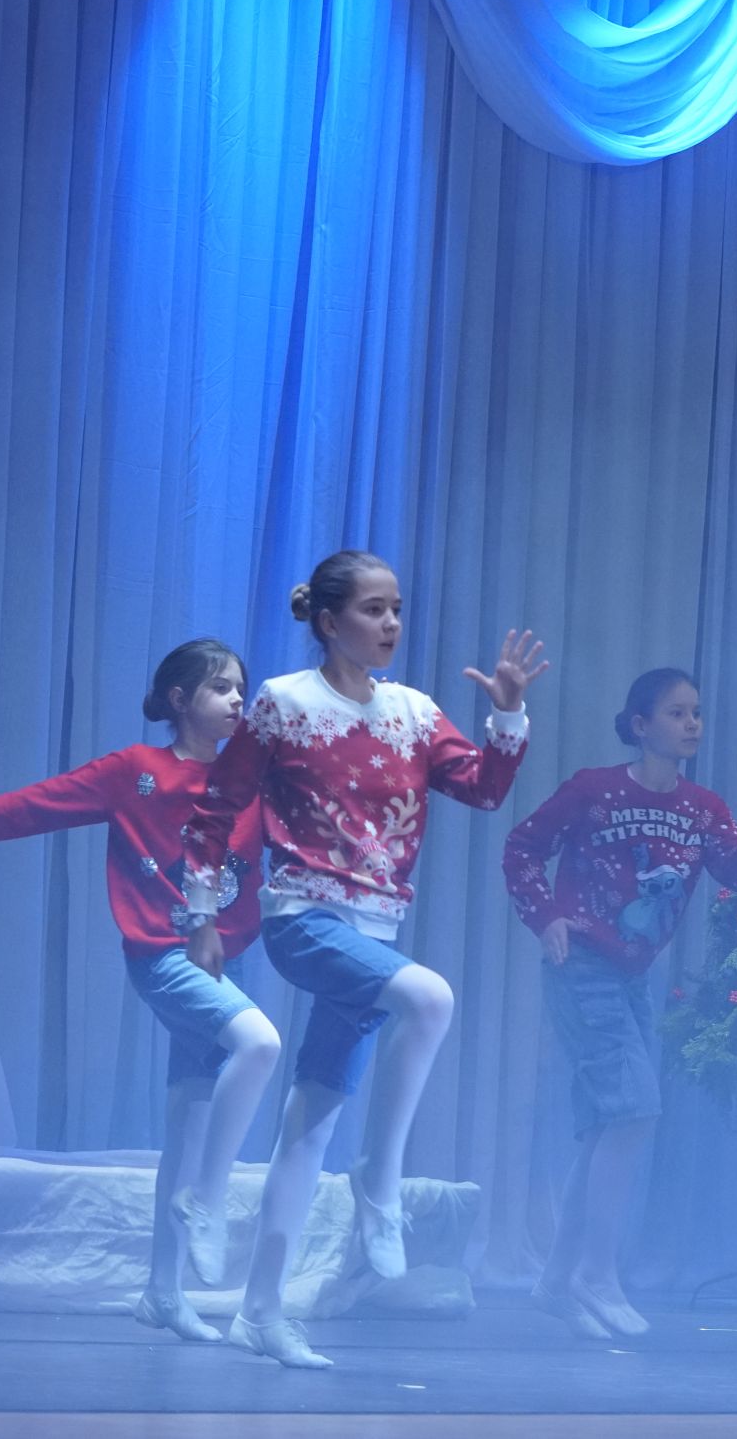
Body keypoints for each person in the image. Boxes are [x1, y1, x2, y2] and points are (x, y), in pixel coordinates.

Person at [180, 549, 547, 1369]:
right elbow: (214, 808)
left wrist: (509, 715)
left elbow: (484, 788)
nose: (390, 624)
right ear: (327, 621)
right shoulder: (284, 703)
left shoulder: (414, 711)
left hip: (372, 931)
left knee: (308, 1123)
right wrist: (202, 915)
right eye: (373, 609)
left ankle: (261, 1310)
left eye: (396, 609)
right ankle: (379, 1182)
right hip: (304, 917)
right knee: (430, 997)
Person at [0, 638, 281, 1344]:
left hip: (224, 960)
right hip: (162, 955)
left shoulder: (250, 784)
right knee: (260, 1041)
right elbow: (40, 804)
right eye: (221, 687)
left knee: (187, 1122)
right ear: (180, 699)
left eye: (241, 688)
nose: (237, 700)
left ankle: (162, 1290)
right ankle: (209, 1199)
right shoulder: (136, 771)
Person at [501, 667, 737, 1338]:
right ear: (640, 724)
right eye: (676, 712)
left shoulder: (702, 807)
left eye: (696, 712)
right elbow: (523, 848)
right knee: (634, 1110)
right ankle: (596, 1274)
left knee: (612, 1122)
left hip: (634, 975)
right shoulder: (593, 790)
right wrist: (544, 915)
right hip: (582, 964)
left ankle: (557, 1281)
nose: (692, 723)